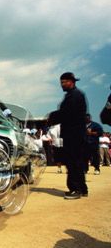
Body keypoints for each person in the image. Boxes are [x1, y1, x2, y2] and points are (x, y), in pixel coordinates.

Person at [48, 72, 87, 200]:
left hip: (74, 135)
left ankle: (75, 189)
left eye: (64, 82)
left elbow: (66, 113)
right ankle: (82, 188)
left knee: (73, 162)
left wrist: (51, 117)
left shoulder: (75, 96)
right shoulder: (73, 95)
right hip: (74, 134)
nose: (62, 85)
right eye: (61, 82)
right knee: (77, 162)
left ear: (72, 81)